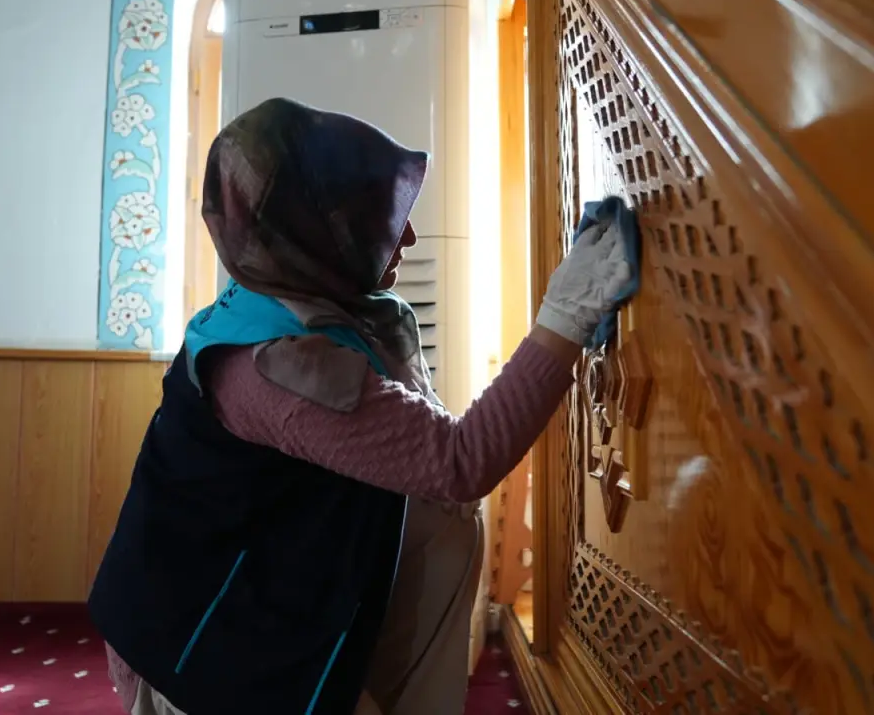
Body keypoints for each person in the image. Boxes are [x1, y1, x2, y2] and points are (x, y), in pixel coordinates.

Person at [88, 97, 630, 715]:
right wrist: (565, 317)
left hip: (243, 608)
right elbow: (460, 461)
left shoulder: (286, 289)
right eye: (373, 218)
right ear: (310, 232)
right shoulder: (276, 365)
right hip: (208, 648)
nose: (407, 235)